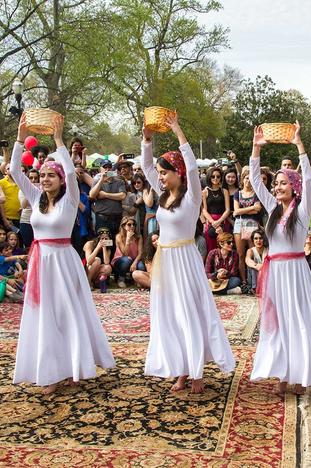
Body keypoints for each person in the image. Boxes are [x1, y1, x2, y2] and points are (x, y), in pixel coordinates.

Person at [11, 113, 115, 394]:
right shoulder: (35, 199)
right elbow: (14, 171)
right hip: (40, 263)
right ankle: (50, 370)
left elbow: (71, 172)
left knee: (68, 312)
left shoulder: (70, 200)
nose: (44, 180)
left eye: (50, 176)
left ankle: (75, 365)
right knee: (46, 315)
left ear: (59, 179)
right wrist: (20, 139)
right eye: (42, 175)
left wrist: (58, 140)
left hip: (64, 260)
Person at [249, 122, 311, 397]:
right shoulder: (271, 209)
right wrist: (256, 149)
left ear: (293, 187)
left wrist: (299, 145)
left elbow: (307, 178)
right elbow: (256, 181)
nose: (278, 187)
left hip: (295, 270)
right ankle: (281, 372)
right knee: (277, 321)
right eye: (277, 183)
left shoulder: (303, 211)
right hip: (275, 272)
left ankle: (301, 374)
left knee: (298, 320)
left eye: (283, 183)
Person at [141, 114, 234, 394]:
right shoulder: (161, 193)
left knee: (188, 313)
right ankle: (181, 370)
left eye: (164, 172)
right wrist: (146, 138)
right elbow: (146, 166)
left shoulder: (193, 196)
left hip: (185, 258)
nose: (159, 176)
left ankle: (196, 373)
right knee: (168, 314)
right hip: (165, 260)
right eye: (159, 173)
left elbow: (192, 167)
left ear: (177, 173)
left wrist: (178, 130)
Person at [232, 168, 263, 284]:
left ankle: (255, 281)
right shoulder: (237, 194)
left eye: (250, 179)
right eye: (246, 178)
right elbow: (235, 210)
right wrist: (251, 208)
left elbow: (257, 210)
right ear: (242, 179)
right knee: (241, 254)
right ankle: (244, 281)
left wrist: (240, 211)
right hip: (239, 225)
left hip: (253, 224)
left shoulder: (256, 194)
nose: (248, 181)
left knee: (254, 252)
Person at [89, 159, 127, 238]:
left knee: (116, 243)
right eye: (104, 167)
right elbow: (92, 195)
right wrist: (101, 180)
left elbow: (122, 196)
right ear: (100, 169)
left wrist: (105, 195)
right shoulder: (97, 182)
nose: (107, 169)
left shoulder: (119, 182)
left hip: (117, 218)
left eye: (109, 167)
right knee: (104, 244)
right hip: (102, 219)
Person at [201, 166, 231, 254]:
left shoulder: (224, 191)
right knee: (211, 248)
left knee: (224, 246)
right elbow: (204, 210)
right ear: (209, 177)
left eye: (218, 176)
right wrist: (213, 222)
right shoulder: (205, 192)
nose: (215, 178)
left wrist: (219, 221)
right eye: (213, 176)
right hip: (210, 222)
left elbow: (228, 209)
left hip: (223, 221)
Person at [112, 216, 145, 288]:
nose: (132, 226)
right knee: (127, 260)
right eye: (129, 224)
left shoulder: (139, 236)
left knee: (141, 266)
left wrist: (134, 263)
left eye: (134, 224)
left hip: (135, 259)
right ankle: (121, 279)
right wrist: (128, 239)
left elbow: (140, 253)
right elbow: (125, 254)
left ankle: (136, 279)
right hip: (121, 260)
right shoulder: (119, 236)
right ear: (123, 226)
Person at [83, 227, 113, 293]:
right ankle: (88, 282)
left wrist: (104, 248)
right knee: (97, 259)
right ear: (98, 238)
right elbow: (89, 261)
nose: (104, 240)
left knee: (108, 267)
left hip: (96, 271)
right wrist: (98, 247)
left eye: (106, 239)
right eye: (102, 238)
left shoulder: (108, 249)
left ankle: (96, 282)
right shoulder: (90, 244)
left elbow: (106, 262)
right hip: (87, 269)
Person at [245, 228, 268, 294]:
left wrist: (262, 266)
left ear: (263, 239)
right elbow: (247, 260)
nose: (258, 241)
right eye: (256, 238)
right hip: (254, 278)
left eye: (260, 238)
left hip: (265, 276)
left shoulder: (268, 250)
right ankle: (254, 288)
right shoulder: (250, 250)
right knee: (251, 266)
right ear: (253, 240)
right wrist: (256, 266)